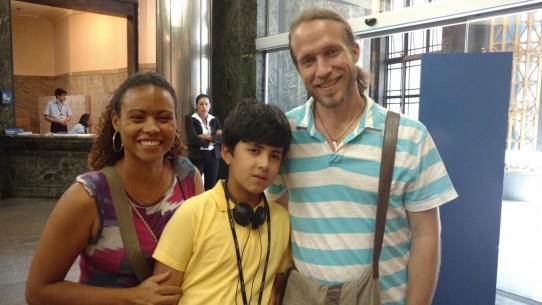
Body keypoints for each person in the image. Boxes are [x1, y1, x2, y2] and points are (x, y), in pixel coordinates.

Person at [265, 8, 458, 305]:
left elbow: (426, 236)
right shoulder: (284, 134)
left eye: (332, 52)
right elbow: (269, 212)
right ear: (299, 70)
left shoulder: (409, 137)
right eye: (308, 60)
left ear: (354, 52)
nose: (323, 70)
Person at [26, 72, 204, 305]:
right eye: (137, 118)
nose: (151, 128)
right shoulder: (88, 196)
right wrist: (130, 297)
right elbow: (39, 291)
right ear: (116, 121)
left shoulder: (188, 177)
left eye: (163, 118)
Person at [153, 99, 292, 305]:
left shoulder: (280, 221)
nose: (264, 164)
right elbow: (161, 295)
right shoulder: (193, 213)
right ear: (227, 153)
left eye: (274, 156)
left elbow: (275, 290)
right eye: (254, 150)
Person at [185, 94, 223, 190]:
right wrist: (213, 138)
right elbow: (193, 139)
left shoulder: (214, 119)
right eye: (201, 104)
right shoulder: (190, 119)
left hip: (213, 156)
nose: (204, 106)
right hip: (197, 157)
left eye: (206, 104)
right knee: (195, 187)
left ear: (209, 106)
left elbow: (222, 138)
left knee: (211, 187)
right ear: (196, 106)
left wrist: (205, 136)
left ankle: (209, 205)